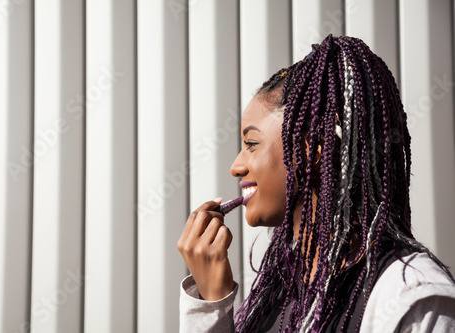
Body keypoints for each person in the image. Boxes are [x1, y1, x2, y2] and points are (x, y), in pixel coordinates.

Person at [177, 35, 455, 332]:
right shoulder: (280, 288)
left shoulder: (412, 297)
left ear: (315, 146)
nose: (236, 166)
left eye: (252, 143)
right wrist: (211, 303)